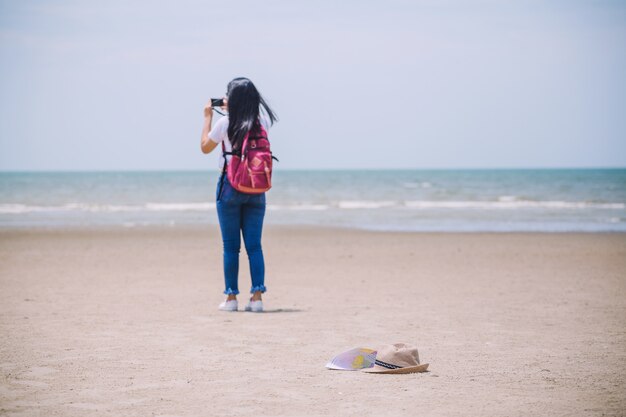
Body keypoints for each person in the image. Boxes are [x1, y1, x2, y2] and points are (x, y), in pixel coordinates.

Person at [200, 77, 278, 312]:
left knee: (230, 246)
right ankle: (257, 299)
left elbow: (205, 147)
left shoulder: (225, 122)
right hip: (256, 188)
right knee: (255, 246)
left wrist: (207, 117)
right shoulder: (262, 120)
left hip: (230, 187)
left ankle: (231, 298)